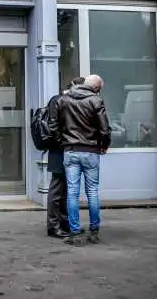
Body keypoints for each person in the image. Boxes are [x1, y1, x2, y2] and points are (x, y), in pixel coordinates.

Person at [54, 74, 111, 247]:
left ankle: (75, 232)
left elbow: (54, 125)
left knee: (72, 192)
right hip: (90, 151)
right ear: (96, 88)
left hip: (70, 150)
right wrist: (103, 145)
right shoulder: (95, 101)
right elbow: (105, 129)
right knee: (92, 191)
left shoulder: (63, 99)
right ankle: (94, 231)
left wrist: (62, 142)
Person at [45, 76, 85, 239]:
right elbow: (54, 127)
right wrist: (65, 144)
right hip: (59, 150)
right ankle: (54, 226)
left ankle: (64, 223)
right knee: (57, 189)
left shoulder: (63, 100)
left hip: (64, 148)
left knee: (65, 189)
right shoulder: (58, 101)